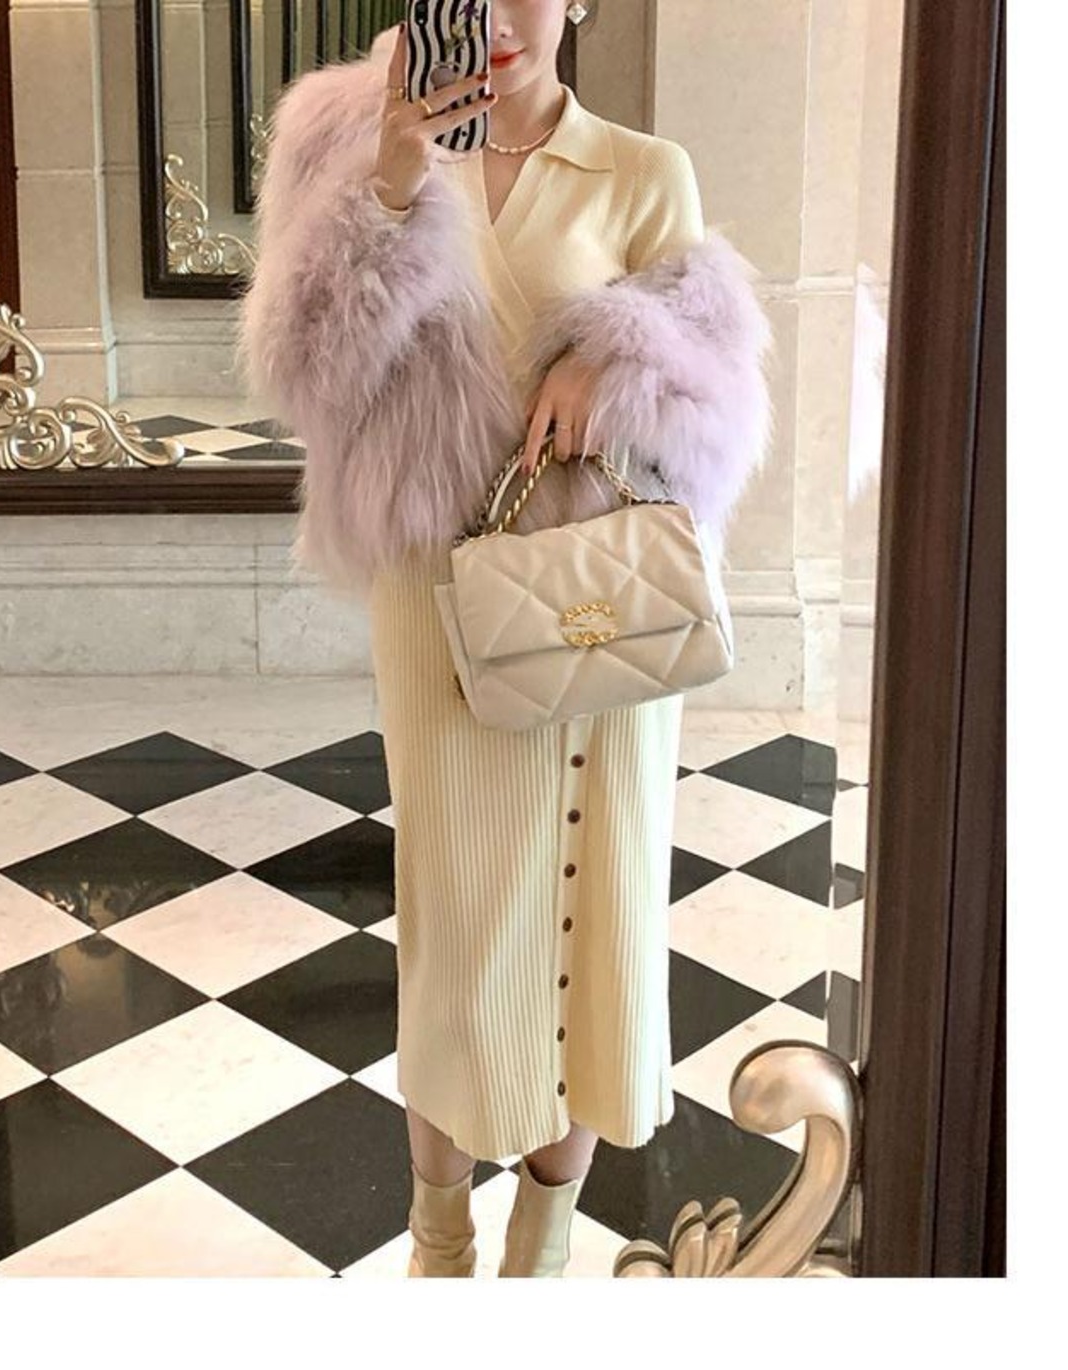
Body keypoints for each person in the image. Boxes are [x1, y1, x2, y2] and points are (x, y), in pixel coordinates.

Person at [237, 1, 773, 1277]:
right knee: (459, 914)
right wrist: (388, 188)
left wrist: (612, 365)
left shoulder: (641, 171)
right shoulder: (340, 140)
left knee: (596, 903)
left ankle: (543, 1233)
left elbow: (717, 418)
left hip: (603, 601)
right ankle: (439, 1229)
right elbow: (304, 380)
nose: (490, 15)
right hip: (438, 603)